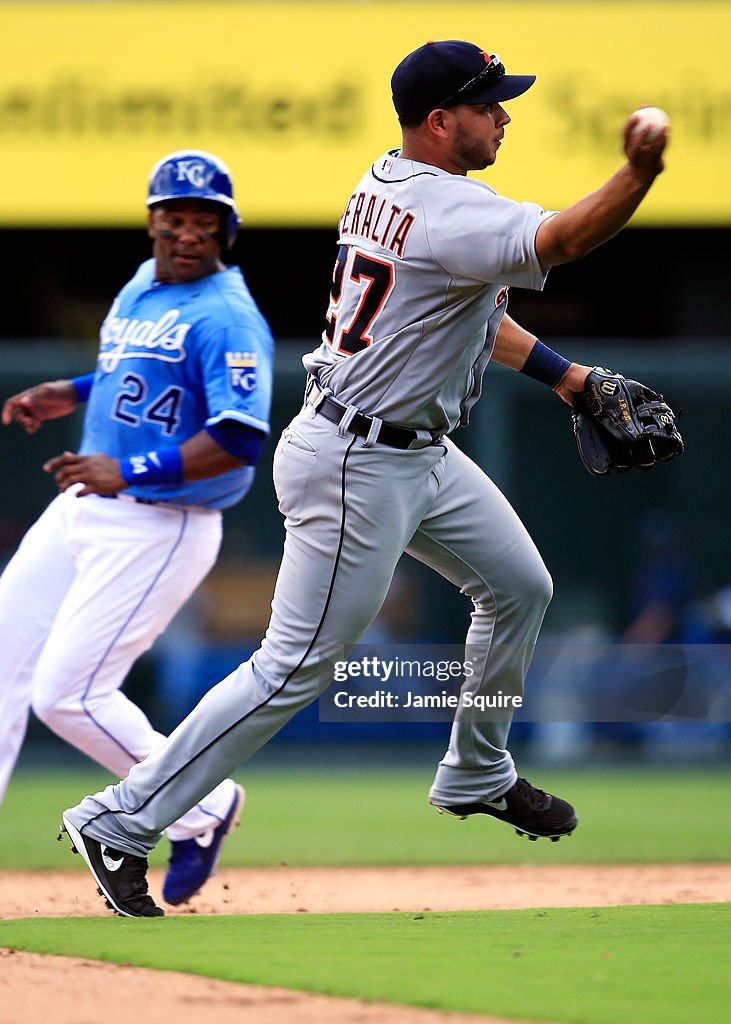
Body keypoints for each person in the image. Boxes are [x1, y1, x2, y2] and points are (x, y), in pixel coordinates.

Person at [60, 40, 668, 917]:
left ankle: (475, 771)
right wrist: (638, 171)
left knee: (518, 587)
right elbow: (565, 239)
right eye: (488, 102)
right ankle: (119, 819)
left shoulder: (388, 181)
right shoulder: (447, 210)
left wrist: (567, 378)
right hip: (357, 457)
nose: (503, 114)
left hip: (416, 451)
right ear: (439, 120)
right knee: (294, 665)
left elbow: (476, 315)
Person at [0, 150, 274, 912]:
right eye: (175, 217)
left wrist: (126, 472)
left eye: (206, 221)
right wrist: (70, 390)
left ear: (226, 231)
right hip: (84, 507)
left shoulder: (228, 316)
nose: (188, 232)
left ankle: (200, 803)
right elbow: (135, 369)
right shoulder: (143, 282)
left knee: (67, 695)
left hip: (162, 520)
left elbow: (238, 435)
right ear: (152, 220)